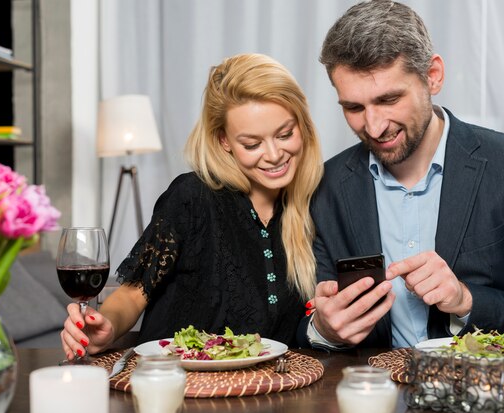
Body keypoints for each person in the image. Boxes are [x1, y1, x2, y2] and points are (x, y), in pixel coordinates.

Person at [301, 0, 504, 350]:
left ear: (433, 76)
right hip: (375, 397)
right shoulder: (326, 187)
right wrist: (323, 328)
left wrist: (467, 300)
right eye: (354, 107)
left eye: (389, 99)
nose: (374, 125)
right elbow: (305, 315)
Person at [60, 53, 323, 360]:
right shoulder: (191, 197)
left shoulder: (314, 203)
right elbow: (133, 293)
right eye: (252, 144)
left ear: (302, 125)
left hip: (269, 394)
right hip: (178, 389)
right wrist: (106, 326)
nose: (275, 154)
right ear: (224, 140)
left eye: (285, 134)